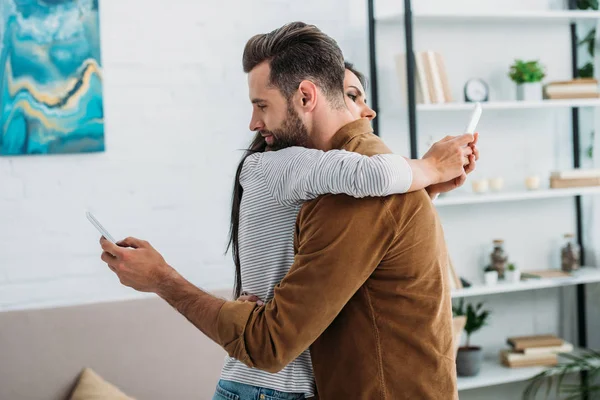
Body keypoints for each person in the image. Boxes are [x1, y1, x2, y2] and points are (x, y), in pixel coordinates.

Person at [99, 22, 477, 399]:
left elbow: (372, 238)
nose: (368, 111)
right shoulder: (297, 168)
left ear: (306, 97)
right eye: (353, 95)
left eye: (262, 106)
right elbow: (373, 179)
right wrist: (430, 168)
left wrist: (425, 187)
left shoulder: (355, 181)